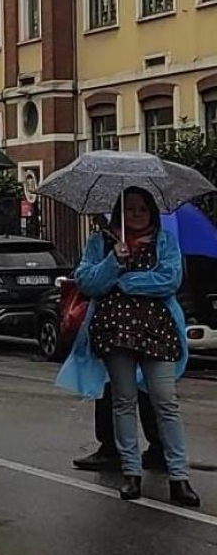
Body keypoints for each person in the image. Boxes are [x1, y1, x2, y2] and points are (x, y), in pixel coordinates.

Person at [59, 188, 199, 507]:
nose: (136, 215)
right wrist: (113, 262)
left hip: (157, 331)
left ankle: (179, 477)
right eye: (129, 209)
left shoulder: (165, 242)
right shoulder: (101, 243)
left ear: (151, 212)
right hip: (114, 332)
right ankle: (131, 473)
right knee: (123, 400)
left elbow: (169, 279)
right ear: (119, 212)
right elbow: (87, 282)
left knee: (165, 401)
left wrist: (124, 282)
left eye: (142, 209)